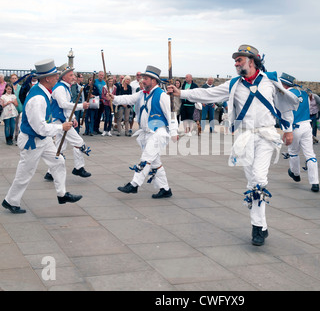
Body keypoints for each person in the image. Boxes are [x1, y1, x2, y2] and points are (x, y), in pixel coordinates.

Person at [168, 44, 299, 246]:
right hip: (245, 137)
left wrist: (288, 129)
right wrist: (181, 94)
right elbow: (207, 95)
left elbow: (285, 106)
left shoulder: (270, 81)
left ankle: (256, 228)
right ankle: (261, 226)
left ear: (252, 61)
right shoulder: (233, 84)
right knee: (251, 182)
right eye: (236, 61)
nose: (236, 63)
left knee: (259, 179)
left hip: (266, 135)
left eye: (239, 59)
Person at [2, 59, 82, 214]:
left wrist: (66, 121)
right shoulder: (38, 98)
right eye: (55, 76)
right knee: (25, 173)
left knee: (58, 161)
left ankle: (62, 194)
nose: (57, 78)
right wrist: (61, 127)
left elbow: (45, 121)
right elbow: (40, 127)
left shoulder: (42, 91)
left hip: (42, 139)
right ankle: (10, 201)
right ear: (47, 79)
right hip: (32, 141)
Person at [109, 65, 178, 199]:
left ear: (154, 80)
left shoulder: (162, 96)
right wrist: (113, 98)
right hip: (146, 133)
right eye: (142, 79)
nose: (143, 81)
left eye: (145, 79)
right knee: (155, 163)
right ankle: (165, 189)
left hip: (158, 133)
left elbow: (171, 115)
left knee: (146, 158)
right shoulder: (141, 93)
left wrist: (174, 131)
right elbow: (128, 99)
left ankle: (134, 184)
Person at [44, 64, 91, 181]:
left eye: (73, 75)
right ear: (64, 77)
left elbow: (67, 107)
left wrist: (73, 118)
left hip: (62, 120)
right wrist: (81, 106)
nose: (73, 77)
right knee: (79, 142)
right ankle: (78, 168)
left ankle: (50, 173)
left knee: (59, 147)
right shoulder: (60, 88)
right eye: (71, 75)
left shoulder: (65, 87)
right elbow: (63, 104)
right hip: (59, 121)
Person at [280, 73, 320, 192]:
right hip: (307, 125)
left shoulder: (286, 95)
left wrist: (286, 131)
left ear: (283, 84)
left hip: (294, 126)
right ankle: (315, 182)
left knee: (293, 152)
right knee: (310, 154)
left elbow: (285, 113)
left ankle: (296, 174)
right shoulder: (303, 93)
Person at [10, 74, 23, 143]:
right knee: (12, 123)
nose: (14, 79)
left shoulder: (20, 87)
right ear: (11, 79)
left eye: (15, 78)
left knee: (19, 122)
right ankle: (11, 136)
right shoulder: (9, 87)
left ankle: (17, 136)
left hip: (20, 106)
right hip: (12, 107)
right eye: (13, 78)